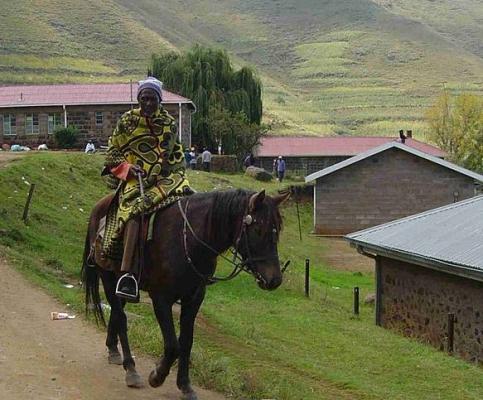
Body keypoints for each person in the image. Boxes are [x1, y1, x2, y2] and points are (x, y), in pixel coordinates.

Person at [101, 77, 192, 301]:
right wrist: (129, 168)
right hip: (135, 180)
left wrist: (167, 173)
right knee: (135, 211)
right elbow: (113, 153)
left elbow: (175, 155)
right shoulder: (127, 121)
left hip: (165, 178)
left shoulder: (169, 123)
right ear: (138, 99)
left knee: (193, 203)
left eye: (152, 99)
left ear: (159, 100)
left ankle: (192, 268)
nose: (148, 103)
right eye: (144, 99)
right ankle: (126, 275)